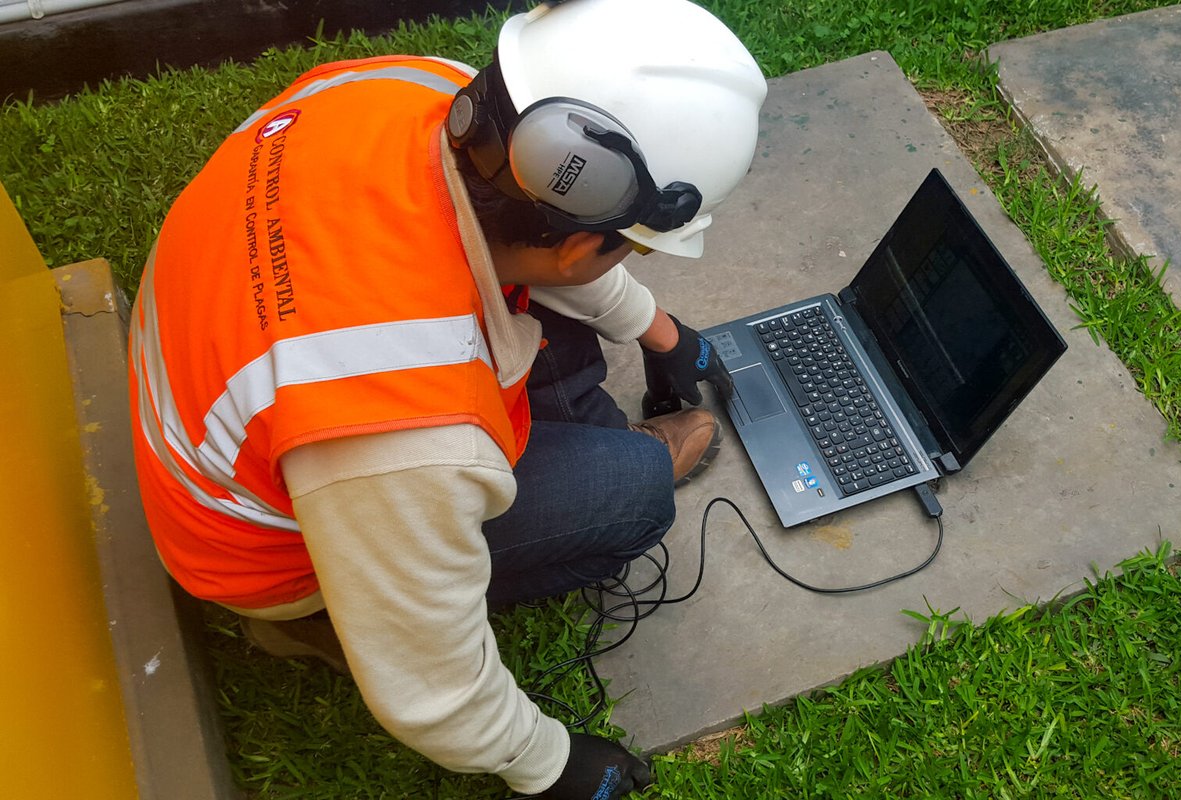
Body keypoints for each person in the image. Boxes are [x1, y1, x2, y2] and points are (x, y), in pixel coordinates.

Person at [126, 0, 766, 796]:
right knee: (634, 494)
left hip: (236, 398)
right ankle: (316, 621)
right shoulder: (399, 431)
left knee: (556, 350)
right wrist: (550, 764)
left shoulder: (419, 90)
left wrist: (659, 333)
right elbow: (429, 688)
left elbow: (549, 244)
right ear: (581, 246)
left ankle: (582, 445)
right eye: (632, 249)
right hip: (263, 547)